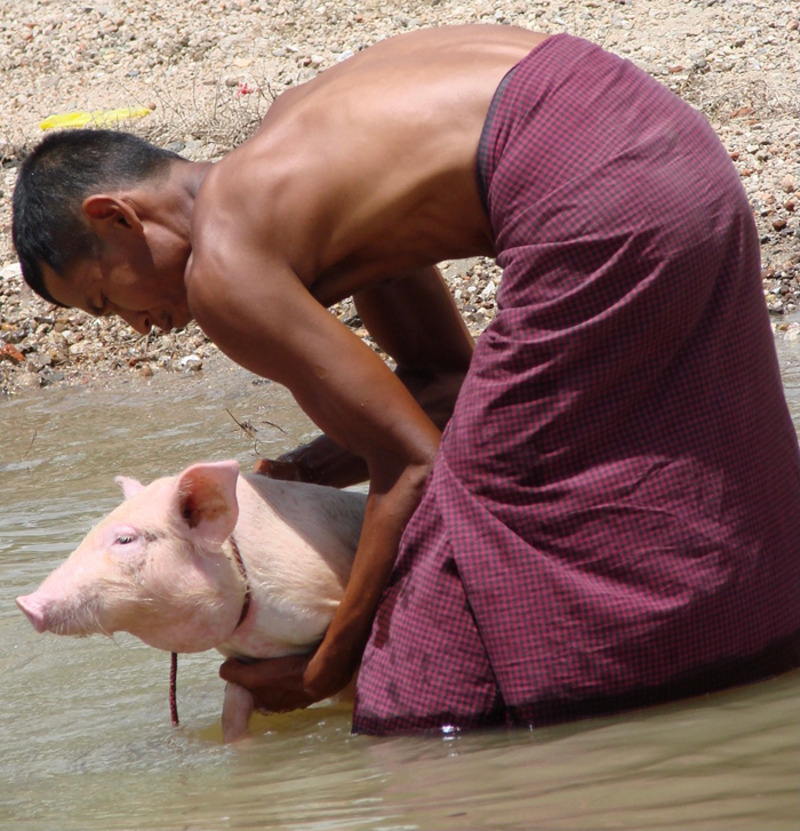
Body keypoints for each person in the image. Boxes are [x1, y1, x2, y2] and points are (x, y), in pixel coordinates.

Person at [12, 25, 800, 735]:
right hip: (667, 140)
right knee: (608, 429)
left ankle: (569, 715)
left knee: (476, 508)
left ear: (117, 216)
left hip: (599, 197)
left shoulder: (224, 268)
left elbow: (419, 463)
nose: (138, 325)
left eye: (107, 297)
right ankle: (753, 648)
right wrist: (297, 470)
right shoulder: (295, 150)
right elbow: (446, 382)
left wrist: (327, 668)